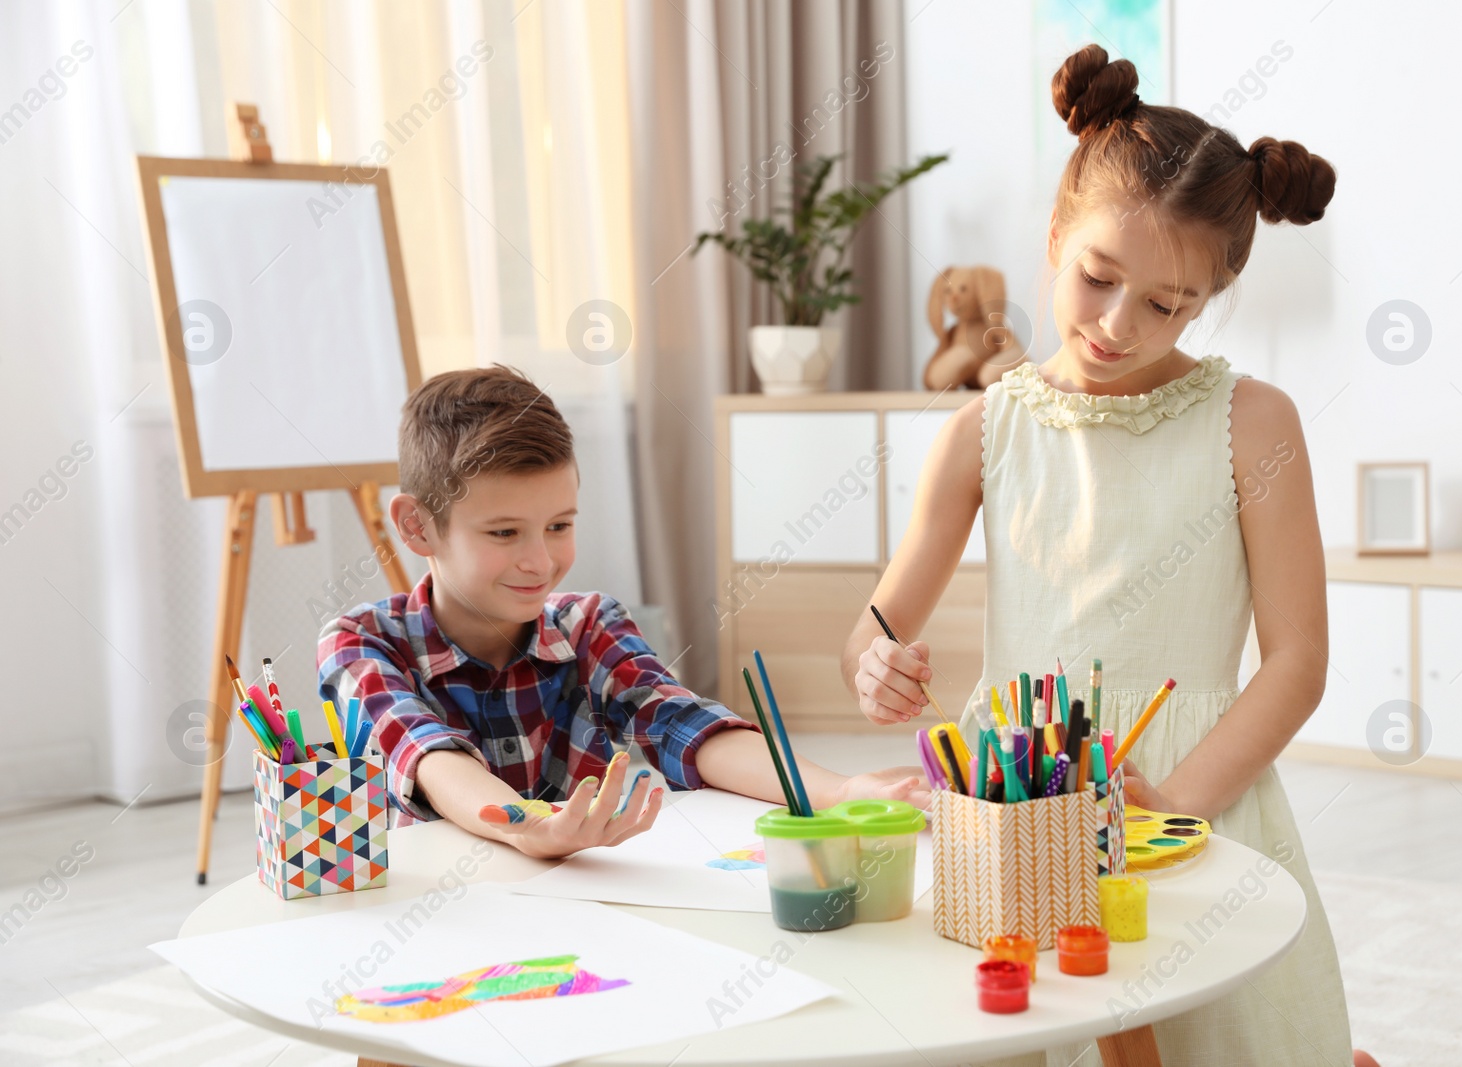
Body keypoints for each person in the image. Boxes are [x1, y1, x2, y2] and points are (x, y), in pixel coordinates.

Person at [841, 43, 1380, 1067]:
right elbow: (877, 623)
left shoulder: (1250, 422)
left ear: (1211, 296)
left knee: (1210, 1023)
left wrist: (1173, 805)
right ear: (1054, 238)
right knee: (1020, 1018)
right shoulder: (984, 426)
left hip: (1187, 786)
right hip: (1016, 797)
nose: (1118, 324)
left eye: (1166, 304)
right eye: (1097, 278)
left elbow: (1297, 660)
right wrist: (873, 660)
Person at [321, 365, 927, 859]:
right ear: (416, 526)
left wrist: (840, 790)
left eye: (559, 525)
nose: (539, 560)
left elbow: (689, 728)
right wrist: (523, 825)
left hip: (582, 911)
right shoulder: (360, 643)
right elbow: (429, 755)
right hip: (445, 922)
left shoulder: (590, 625)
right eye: (504, 532)